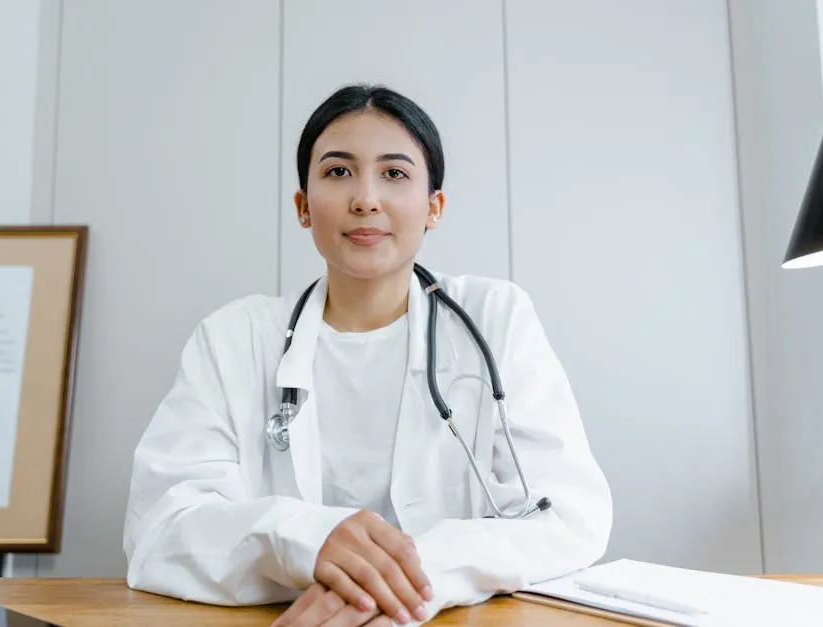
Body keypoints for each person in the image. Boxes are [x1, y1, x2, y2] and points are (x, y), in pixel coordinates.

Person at [122, 84, 613, 626]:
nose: (366, 198)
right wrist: (305, 541)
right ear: (303, 207)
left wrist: (406, 579)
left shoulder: (494, 317)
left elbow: (567, 517)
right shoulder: (234, 338)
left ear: (434, 208)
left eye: (395, 174)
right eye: (338, 172)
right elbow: (160, 528)